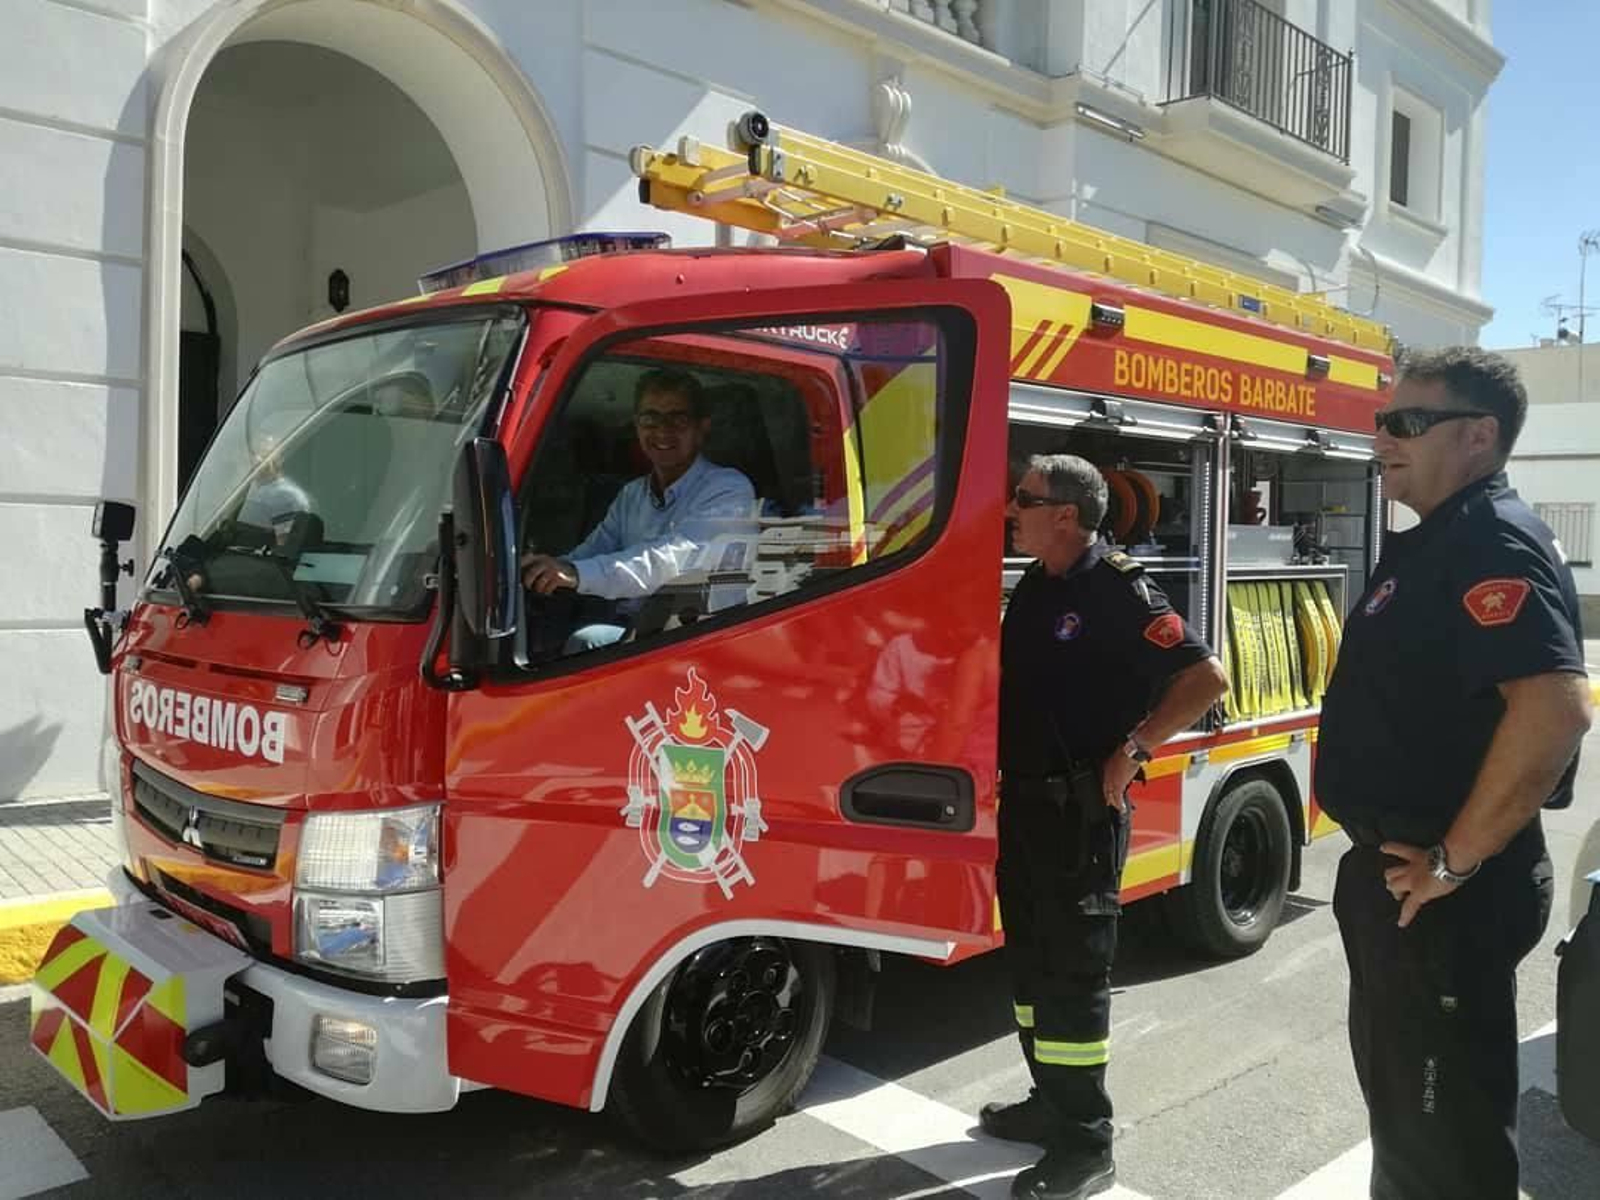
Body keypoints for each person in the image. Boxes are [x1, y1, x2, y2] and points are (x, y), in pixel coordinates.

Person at [1316, 346, 1593, 1199]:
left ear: (1478, 435)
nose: (1384, 438)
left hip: (1444, 892)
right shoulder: (1443, 537)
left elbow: (1554, 711)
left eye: (1407, 422)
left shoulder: (1488, 536)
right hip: (1409, 884)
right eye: (1382, 421)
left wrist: (1453, 861)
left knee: (1444, 1145)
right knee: (1410, 1124)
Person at [986, 454, 1229, 1200]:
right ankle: (1047, 1101)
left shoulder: (1115, 588)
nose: (1009, 509)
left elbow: (1205, 678)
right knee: (1029, 967)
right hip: (1025, 807)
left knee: (1073, 977)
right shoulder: (1037, 580)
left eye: (1023, 499)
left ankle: (1086, 1145)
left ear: (1066, 514)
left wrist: (1133, 752)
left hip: (1080, 819)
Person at [520, 367, 756, 652]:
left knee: (588, 641)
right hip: (637, 630)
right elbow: (593, 552)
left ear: (702, 427)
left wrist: (575, 573)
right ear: (637, 425)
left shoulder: (728, 488)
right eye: (650, 418)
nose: (662, 430)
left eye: (677, 418)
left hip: (696, 640)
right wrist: (543, 568)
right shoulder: (632, 494)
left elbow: (669, 563)